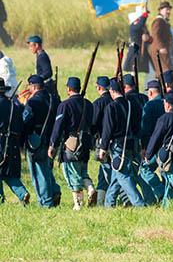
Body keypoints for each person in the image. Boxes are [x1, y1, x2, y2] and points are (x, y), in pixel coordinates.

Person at [48, 77, 95, 209]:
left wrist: (52, 144)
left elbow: (58, 126)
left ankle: (78, 204)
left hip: (71, 144)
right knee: (82, 171)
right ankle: (90, 188)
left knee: (71, 173)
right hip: (85, 143)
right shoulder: (89, 104)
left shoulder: (65, 105)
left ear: (68, 89)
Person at [98, 79, 145, 208]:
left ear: (112, 91)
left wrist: (103, 148)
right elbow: (137, 127)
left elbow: (107, 130)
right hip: (131, 144)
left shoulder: (111, 107)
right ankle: (109, 204)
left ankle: (139, 204)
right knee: (116, 175)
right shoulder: (132, 105)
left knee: (123, 176)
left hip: (118, 146)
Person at [22, 75, 61, 207]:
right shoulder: (54, 99)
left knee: (39, 173)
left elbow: (26, 122)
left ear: (33, 86)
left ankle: (46, 202)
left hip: (36, 140)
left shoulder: (32, 102)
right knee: (46, 169)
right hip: (52, 140)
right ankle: (55, 190)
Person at [0, 78, 29, 204]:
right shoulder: (14, 105)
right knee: (9, 174)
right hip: (12, 142)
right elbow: (20, 125)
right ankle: (22, 193)